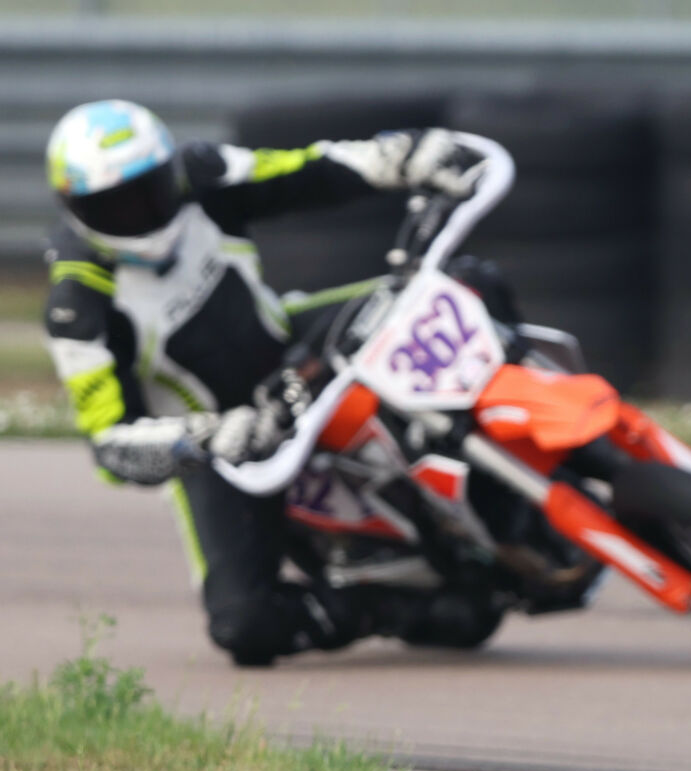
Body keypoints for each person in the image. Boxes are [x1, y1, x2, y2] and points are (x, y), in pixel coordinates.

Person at [42, 98, 499, 666]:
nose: (139, 213)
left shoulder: (204, 176)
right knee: (242, 623)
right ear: (73, 208)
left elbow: (304, 171)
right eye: (112, 205)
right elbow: (110, 444)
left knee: (465, 282)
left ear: (171, 172)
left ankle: (515, 437)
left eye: (148, 190)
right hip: (229, 446)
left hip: (295, 350)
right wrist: (203, 440)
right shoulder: (78, 303)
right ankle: (391, 610)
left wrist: (400, 158)